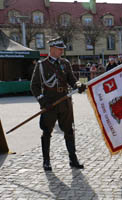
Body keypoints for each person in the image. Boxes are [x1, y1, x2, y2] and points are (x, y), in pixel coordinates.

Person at [31, 37, 86, 171]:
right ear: (52, 49)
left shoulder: (65, 63)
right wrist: (43, 101)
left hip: (64, 101)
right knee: (47, 131)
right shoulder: (42, 65)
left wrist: (78, 85)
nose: (62, 51)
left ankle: (73, 159)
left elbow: (72, 80)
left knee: (69, 131)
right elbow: (34, 86)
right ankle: (46, 161)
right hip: (50, 102)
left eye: (62, 49)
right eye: (59, 49)